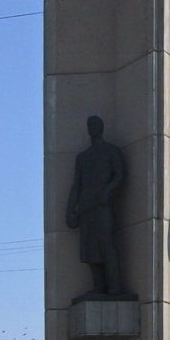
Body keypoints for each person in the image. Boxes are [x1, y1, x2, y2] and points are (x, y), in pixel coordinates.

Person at [66, 115, 124, 296]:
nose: (93, 127)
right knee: (90, 249)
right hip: (86, 206)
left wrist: (107, 191)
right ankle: (99, 287)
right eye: (90, 125)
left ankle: (114, 287)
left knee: (106, 245)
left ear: (102, 127)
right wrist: (70, 209)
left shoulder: (111, 151)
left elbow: (119, 175)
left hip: (103, 205)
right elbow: (76, 184)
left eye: (96, 124)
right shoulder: (83, 157)